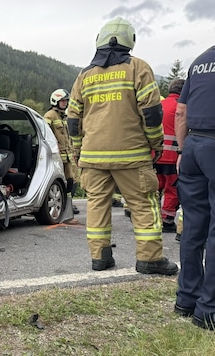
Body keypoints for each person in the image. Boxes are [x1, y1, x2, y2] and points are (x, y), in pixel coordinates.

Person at [67, 17, 178, 275]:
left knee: (97, 205)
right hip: (133, 156)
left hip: (93, 157)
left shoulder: (84, 75)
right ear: (130, 41)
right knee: (143, 204)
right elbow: (151, 113)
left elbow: (73, 119)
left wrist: (77, 150)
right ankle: (150, 259)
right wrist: (156, 143)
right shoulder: (138, 68)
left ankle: (100, 258)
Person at [173, 45, 215, 330]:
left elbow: (181, 111)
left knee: (193, 227)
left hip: (193, 147)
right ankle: (209, 309)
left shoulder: (200, 61)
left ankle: (186, 299)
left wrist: (182, 150)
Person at [44, 89, 79, 214]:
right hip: (58, 157)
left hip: (69, 157)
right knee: (60, 182)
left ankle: (68, 204)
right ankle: (63, 205)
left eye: (66, 101)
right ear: (55, 101)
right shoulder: (50, 115)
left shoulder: (64, 116)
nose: (65, 103)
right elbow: (45, 135)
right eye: (62, 101)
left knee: (73, 181)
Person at [156, 79, 184, 232]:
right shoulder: (181, 106)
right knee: (172, 189)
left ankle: (153, 217)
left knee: (156, 187)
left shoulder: (160, 104)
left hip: (156, 155)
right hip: (172, 156)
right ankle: (167, 220)